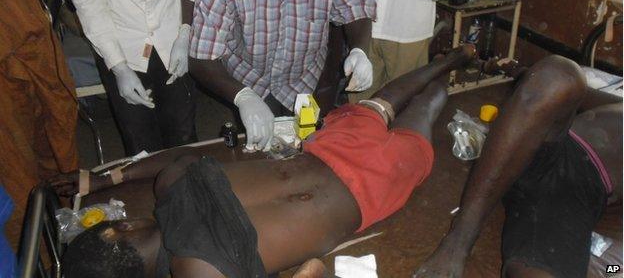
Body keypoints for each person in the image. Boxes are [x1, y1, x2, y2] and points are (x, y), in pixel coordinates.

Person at [53, 45, 477, 278]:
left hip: (363, 186)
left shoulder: (197, 268)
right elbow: (181, 155)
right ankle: (455, 57)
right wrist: (105, 179)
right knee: (392, 102)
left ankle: (450, 72)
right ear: (118, 228)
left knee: (423, 112)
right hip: (338, 160)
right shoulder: (173, 182)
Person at [414, 57, 622, 278]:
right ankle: (460, 238)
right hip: (542, 143)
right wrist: (517, 70)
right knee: (561, 75)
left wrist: (613, 269)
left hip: (577, 194)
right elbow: (578, 94)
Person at [189, 0, 377, 152]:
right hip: (248, 76)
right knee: (257, 151)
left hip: (304, 77)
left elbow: (358, 6)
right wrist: (243, 97)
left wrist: (359, 51)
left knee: (304, 148)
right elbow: (201, 56)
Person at [56, 0, 209, 155]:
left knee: (184, 137)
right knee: (141, 145)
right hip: (118, 38)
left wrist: (186, 30)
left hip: (173, 30)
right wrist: (118, 66)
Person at [0, 0, 78, 248]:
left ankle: (69, 229)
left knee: (59, 142)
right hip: (5, 69)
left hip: (31, 39)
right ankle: (39, 258)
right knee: (18, 177)